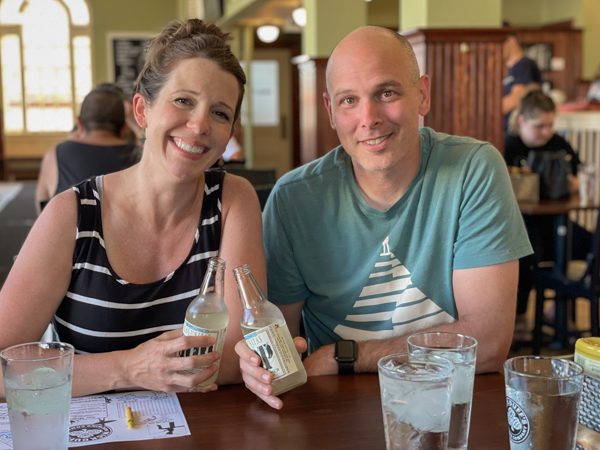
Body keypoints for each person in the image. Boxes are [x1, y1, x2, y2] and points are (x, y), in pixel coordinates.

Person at [236, 26, 533, 409]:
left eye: (387, 93)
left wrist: (347, 356)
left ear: (422, 94)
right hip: (335, 409)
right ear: (330, 111)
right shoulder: (293, 199)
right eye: (349, 100)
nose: (369, 118)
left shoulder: (473, 170)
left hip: (453, 406)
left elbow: (488, 344)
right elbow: (283, 350)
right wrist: (260, 367)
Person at [0, 19, 265, 398]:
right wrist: (129, 367)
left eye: (220, 113)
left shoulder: (232, 199)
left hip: (201, 423)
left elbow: (239, 354)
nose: (199, 125)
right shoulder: (72, 214)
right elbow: (4, 366)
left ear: (230, 135)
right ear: (142, 111)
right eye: (183, 101)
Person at [504, 89, 584, 341]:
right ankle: (519, 317)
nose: (546, 132)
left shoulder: (559, 144)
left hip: (557, 220)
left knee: (591, 244)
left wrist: (576, 183)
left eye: (550, 125)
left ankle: (557, 310)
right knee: (527, 255)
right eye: (539, 126)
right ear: (522, 121)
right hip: (520, 222)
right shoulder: (508, 146)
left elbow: (579, 173)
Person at [35, 88, 140, 214]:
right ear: (124, 128)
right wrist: (137, 127)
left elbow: (43, 208)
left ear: (79, 124)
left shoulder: (55, 154)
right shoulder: (140, 155)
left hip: (68, 226)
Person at [502, 33, 542, 131]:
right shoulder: (510, 69)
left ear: (512, 40)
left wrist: (487, 111)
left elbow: (517, 98)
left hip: (517, 130)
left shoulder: (525, 64)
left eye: (501, 43)